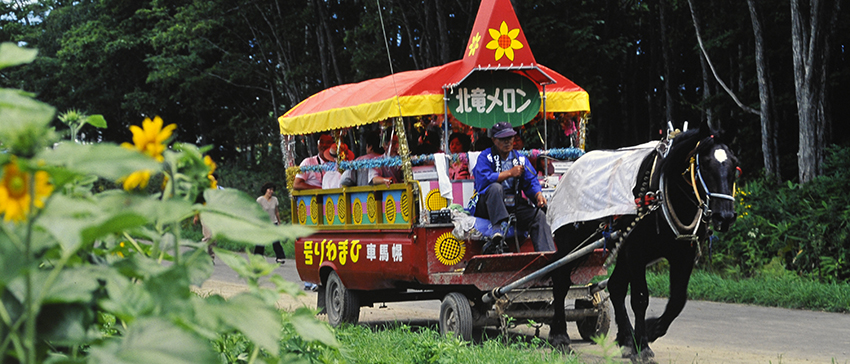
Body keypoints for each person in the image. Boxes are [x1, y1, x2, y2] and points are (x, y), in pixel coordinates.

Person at [471, 122, 554, 253]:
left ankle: (547, 255)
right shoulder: (485, 157)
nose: (507, 142)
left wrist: (537, 194)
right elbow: (483, 180)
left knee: (538, 217)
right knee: (495, 188)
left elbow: (531, 180)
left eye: (510, 138)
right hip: (488, 205)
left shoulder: (520, 159)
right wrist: (509, 173)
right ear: (494, 140)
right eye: (503, 139)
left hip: (512, 204)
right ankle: (497, 229)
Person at [254, 182, 286, 264]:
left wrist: (279, 222)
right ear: (266, 190)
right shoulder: (260, 200)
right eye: (269, 189)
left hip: (273, 222)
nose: (271, 191)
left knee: (276, 241)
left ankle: (279, 257)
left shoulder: (275, 199)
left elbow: (276, 212)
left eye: (272, 190)